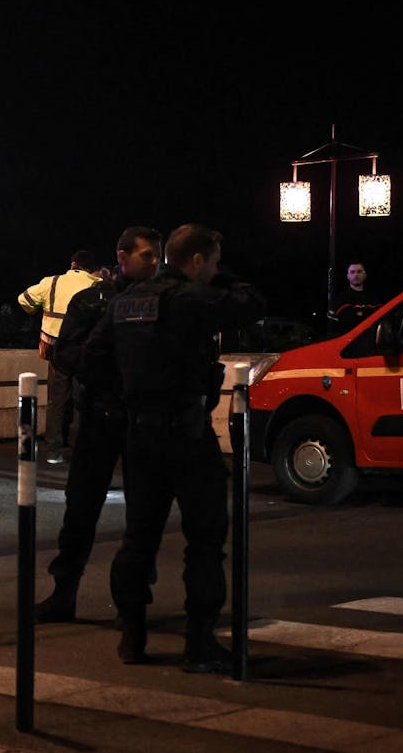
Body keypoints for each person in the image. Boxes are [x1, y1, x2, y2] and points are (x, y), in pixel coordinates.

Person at [96, 223, 266, 673]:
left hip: (140, 437)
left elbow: (89, 359)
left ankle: (132, 637)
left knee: (138, 541)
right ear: (195, 262)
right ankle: (199, 642)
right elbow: (251, 305)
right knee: (206, 542)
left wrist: (127, 397)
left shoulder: (125, 301)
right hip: (187, 436)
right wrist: (222, 277)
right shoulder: (189, 297)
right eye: (209, 263)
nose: (211, 271)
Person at [34, 226, 163, 623]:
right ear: (122, 257)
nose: (156, 263)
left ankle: (133, 602)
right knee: (81, 507)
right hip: (101, 415)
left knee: (144, 513)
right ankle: (64, 591)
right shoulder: (93, 301)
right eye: (147, 255)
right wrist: (102, 368)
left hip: (142, 417)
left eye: (159, 256)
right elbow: (64, 353)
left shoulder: (164, 301)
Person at [18, 250, 104, 464]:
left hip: (57, 351)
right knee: (81, 402)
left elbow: (24, 299)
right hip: (85, 352)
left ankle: (54, 450)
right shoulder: (96, 285)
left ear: (73, 264)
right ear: (90, 268)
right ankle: (79, 449)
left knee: (56, 401)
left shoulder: (52, 282)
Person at [329, 261, 378, 334]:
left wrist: (358, 313)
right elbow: (346, 319)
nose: (356, 275)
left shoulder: (373, 298)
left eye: (359, 272)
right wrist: (366, 313)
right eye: (352, 272)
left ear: (365, 275)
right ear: (348, 276)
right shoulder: (341, 298)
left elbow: (378, 316)